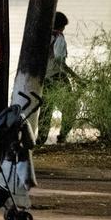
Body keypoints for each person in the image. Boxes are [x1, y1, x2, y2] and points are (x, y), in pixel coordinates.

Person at [37, 12, 77, 145]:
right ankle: (62, 136)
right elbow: (60, 62)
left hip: (44, 78)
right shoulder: (58, 38)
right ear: (62, 26)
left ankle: (40, 139)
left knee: (46, 109)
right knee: (70, 107)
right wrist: (76, 77)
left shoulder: (42, 37)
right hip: (57, 77)